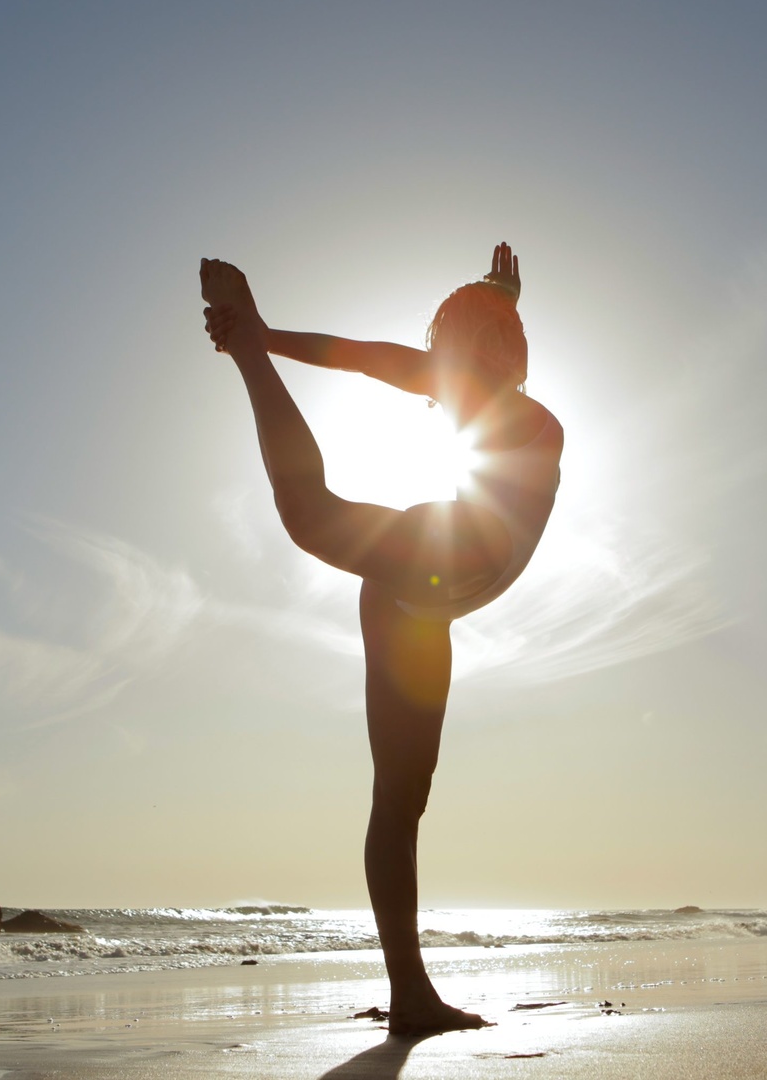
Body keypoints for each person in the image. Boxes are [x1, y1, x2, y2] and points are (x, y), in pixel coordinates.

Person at [199, 244, 562, 1034]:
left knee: (405, 798)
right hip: (428, 563)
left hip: (429, 601)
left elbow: (410, 364)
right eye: (476, 338)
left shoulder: (533, 419)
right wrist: (264, 337)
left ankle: (410, 997)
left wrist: (495, 297)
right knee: (307, 513)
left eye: (509, 334)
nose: (498, 347)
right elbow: (377, 361)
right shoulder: (461, 385)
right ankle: (411, 994)